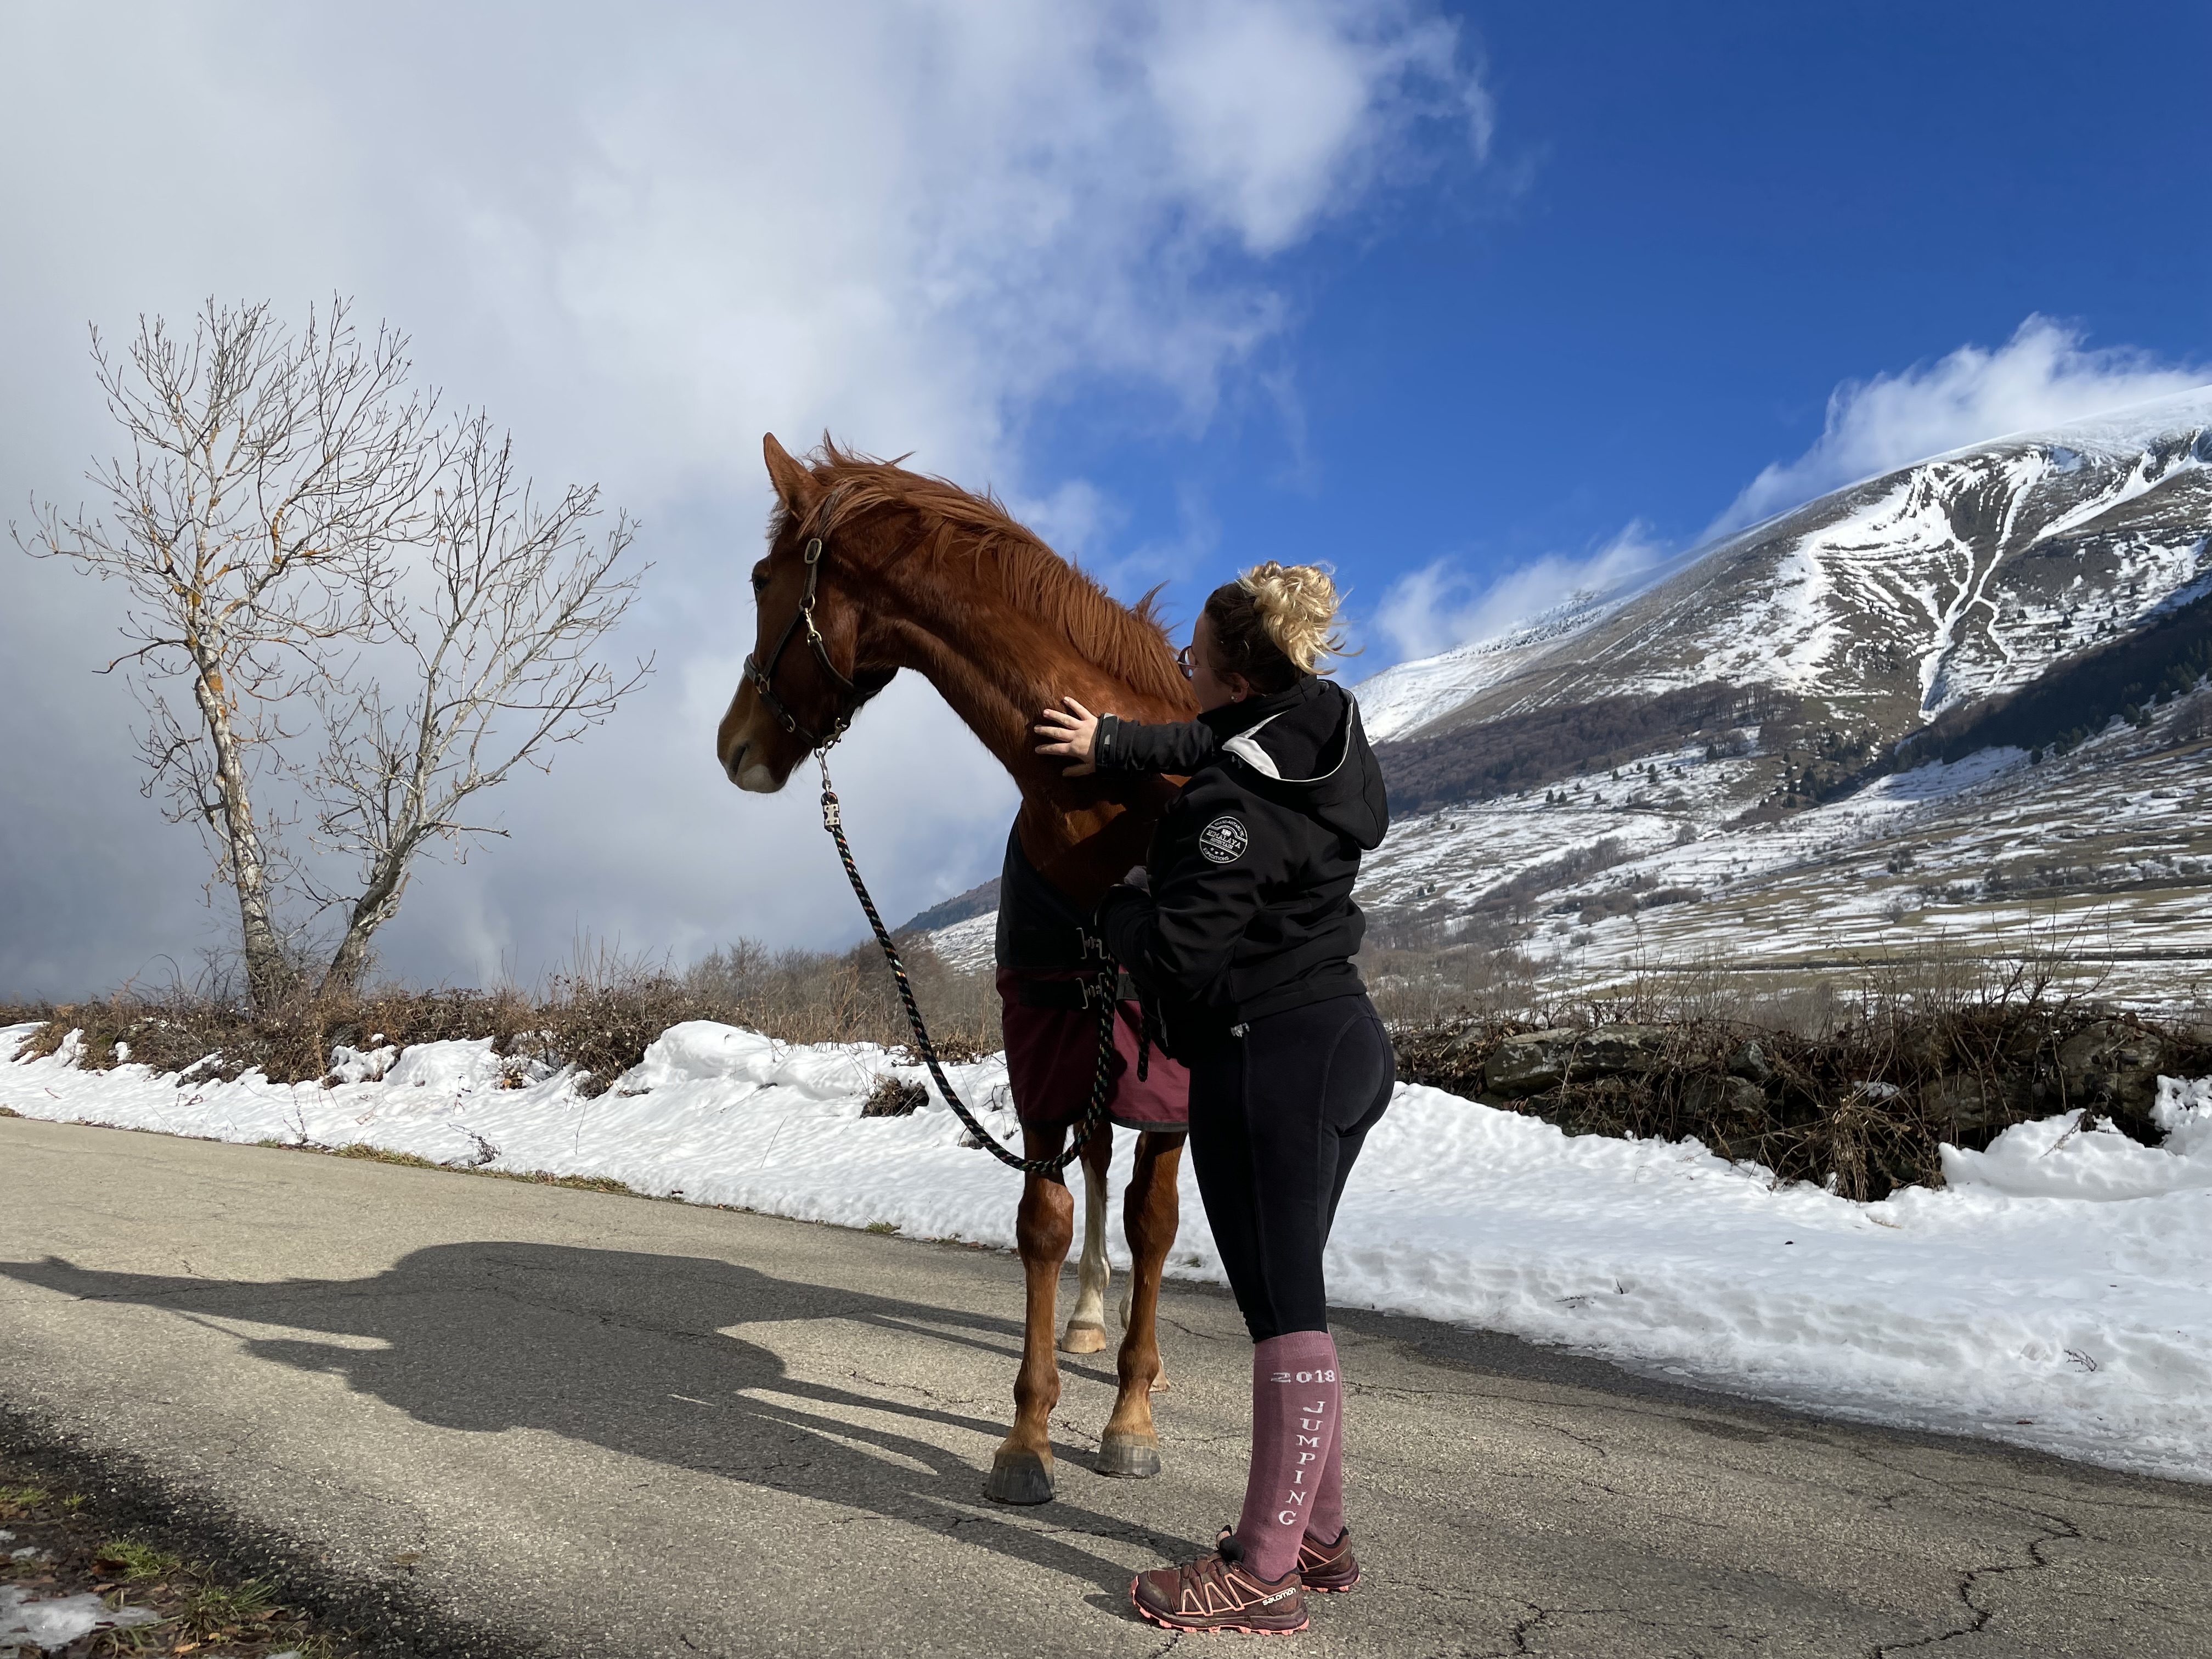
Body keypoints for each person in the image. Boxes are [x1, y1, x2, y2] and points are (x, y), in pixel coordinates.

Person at [1032, 561, 1393, 1637]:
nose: (1180, 671)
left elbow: (1182, 961)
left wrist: (1112, 911)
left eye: (1192, 659)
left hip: (1265, 1059)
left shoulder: (1233, 806)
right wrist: (1116, 746)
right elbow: (1212, 740)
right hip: (1343, 1043)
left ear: (1232, 675)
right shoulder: (1321, 725)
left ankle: (1266, 1572)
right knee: (1295, 1308)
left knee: (1286, 1322)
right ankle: (1317, 1540)